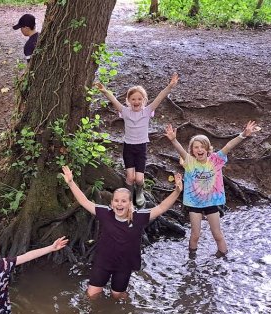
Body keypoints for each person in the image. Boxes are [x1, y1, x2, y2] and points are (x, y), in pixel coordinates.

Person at [61, 165, 183, 300]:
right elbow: (84, 201)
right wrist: (71, 182)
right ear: (112, 203)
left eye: (123, 201)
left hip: (124, 265)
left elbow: (161, 207)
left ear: (130, 204)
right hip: (103, 262)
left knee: (117, 295)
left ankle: (126, 307)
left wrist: (176, 191)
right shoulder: (105, 213)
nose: (119, 204)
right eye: (116, 200)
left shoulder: (139, 217)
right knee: (92, 295)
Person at [164, 120, 260, 257]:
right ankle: (192, 258)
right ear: (192, 151)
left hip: (211, 203)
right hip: (194, 203)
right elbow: (181, 151)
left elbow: (228, 146)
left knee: (217, 234)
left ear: (208, 149)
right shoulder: (190, 162)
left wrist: (243, 134)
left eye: (202, 147)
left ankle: (223, 255)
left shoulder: (216, 160)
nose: (199, 150)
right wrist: (173, 140)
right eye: (196, 147)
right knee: (195, 235)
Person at [95, 74, 179, 206]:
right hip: (128, 147)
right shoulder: (125, 111)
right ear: (128, 100)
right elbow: (114, 100)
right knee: (130, 177)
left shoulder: (147, 111)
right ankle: (129, 198)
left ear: (144, 100)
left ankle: (139, 191)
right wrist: (105, 91)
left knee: (139, 179)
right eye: (133, 99)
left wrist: (170, 86)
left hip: (141, 148)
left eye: (139, 99)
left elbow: (160, 97)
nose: (136, 101)